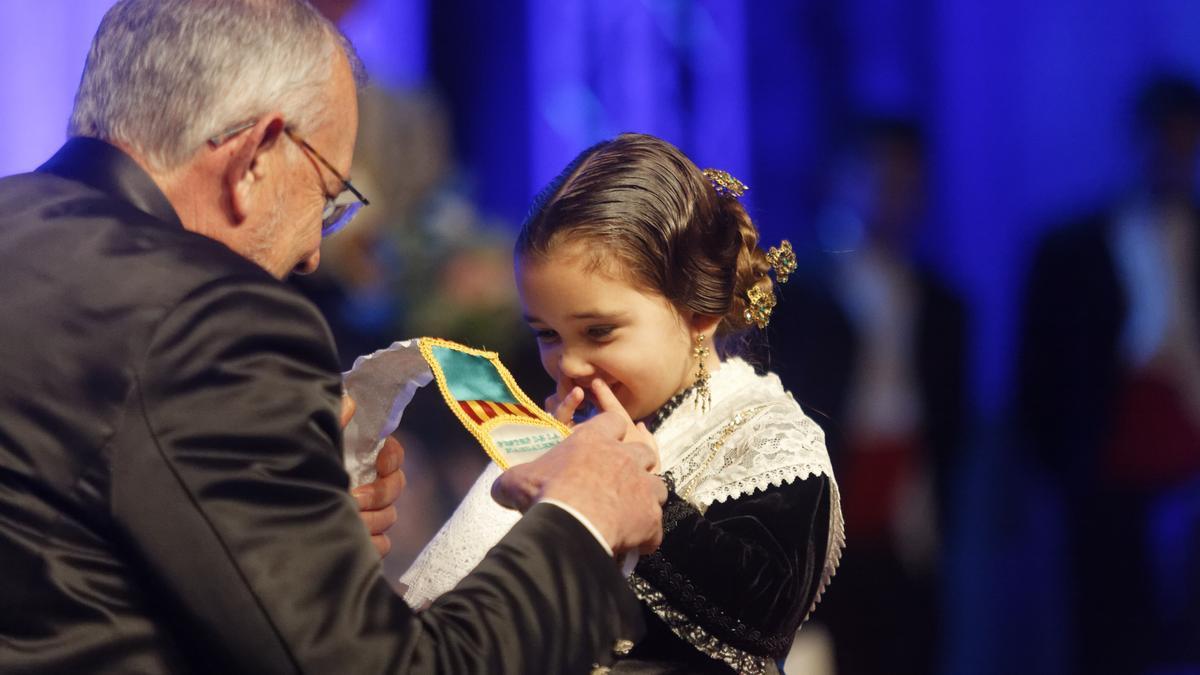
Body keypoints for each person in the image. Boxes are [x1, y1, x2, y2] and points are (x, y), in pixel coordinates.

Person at [0, 1, 667, 673]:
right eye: (329, 199)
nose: (316, 255)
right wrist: (583, 516)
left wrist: (275, 536)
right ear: (255, 157)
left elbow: (63, 566)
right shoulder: (211, 318)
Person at [400, 133, 845, 674]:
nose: (569, 364)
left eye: (599, 331)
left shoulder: (769, 436)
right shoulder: (565, 430)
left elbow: (765, 617)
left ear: (698, 308)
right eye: (546, 334)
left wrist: (644, 498)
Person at [1017, 74, 1200, 674]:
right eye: (1161, 138)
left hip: (1188, 457)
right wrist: (1063, 466)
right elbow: (1041, 373)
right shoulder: (1073, 248)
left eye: (1183, 140)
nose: (1170, 154)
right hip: (1106, 471)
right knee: (1108, 633)